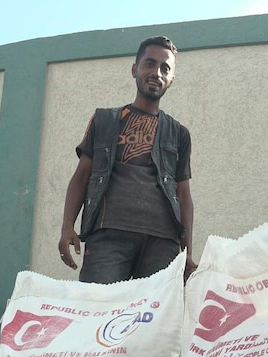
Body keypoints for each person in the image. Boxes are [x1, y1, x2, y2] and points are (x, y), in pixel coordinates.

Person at [58, 35, 197, 283]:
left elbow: (183, 194)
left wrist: (186, 251)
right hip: (108, 234)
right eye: (150, 64)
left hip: (162, 241)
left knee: (155, 320)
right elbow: (81, 177)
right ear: (135, 69)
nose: (157, 72)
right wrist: (67, 225)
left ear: (172, 79)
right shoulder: (105, 121)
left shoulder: (179, 134)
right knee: (98, 312)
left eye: (165, 68)